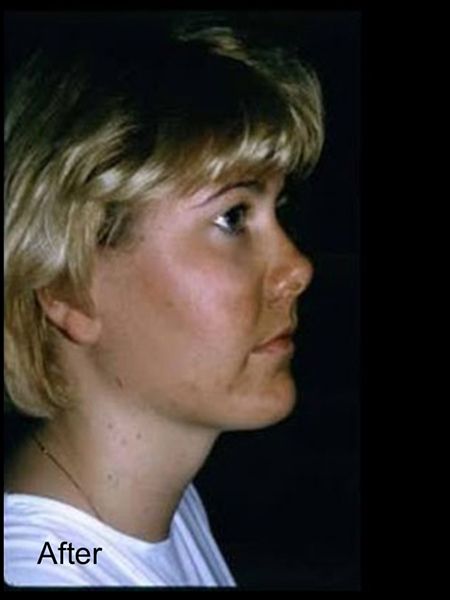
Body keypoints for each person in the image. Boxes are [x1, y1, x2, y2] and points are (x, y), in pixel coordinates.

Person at [4, 14, 324, 587]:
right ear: (67, 287)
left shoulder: (154, 511)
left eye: (278, 210)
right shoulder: (42, 572)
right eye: (232, 217)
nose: (296, 268)